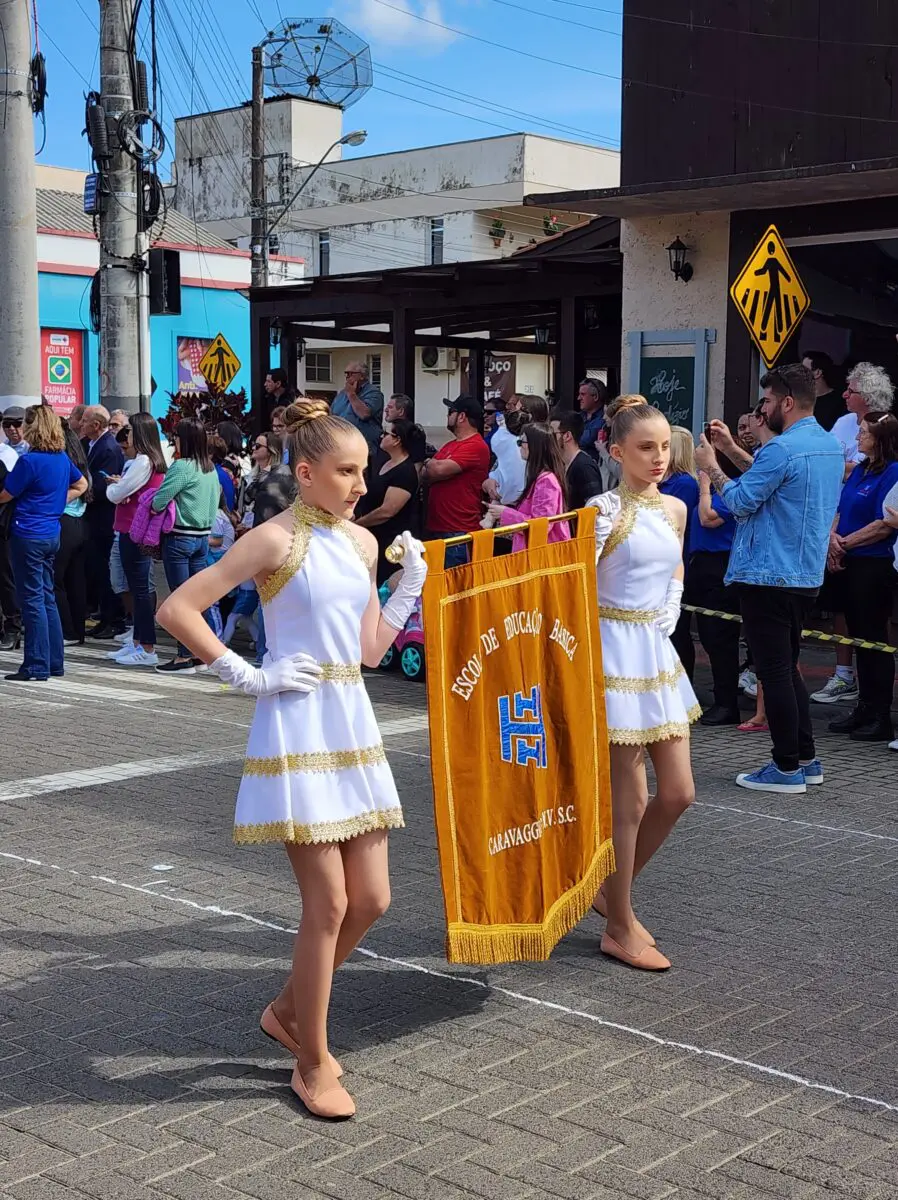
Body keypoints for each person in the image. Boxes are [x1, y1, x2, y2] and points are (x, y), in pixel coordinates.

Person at [155, 399, 427, 1119]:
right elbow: (179, 608)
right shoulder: (272, 540)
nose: (360, 485)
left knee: (372, 899)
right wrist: (250, 675)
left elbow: (370, 651)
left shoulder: (364, 545)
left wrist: (408, 588)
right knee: (329, 903)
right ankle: (312, 1060)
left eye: (364, 470)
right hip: (298, 722)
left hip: (351, 721)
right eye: (345, 471)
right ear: (305, 474)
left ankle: (285, 1010)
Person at [586, 395, 699, 971]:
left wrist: (673, 602)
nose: (659, 458)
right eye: (645, 448)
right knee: (627, 802)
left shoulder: (676, 508)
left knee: (678, 792)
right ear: (617, 451)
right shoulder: (601, 510)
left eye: (664, 448)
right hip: (611, 653)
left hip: (654, 650)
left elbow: (676, 563)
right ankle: (620, 922)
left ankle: (612, 891)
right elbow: (572, 581)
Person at [695, 363, 844, 795]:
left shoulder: (783, 449)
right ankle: (804, 758)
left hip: (767, 573)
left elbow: (742, 499)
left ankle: (784, 767)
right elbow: (768, 477)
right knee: (786, 667)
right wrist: (729, 446)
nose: (762, 411)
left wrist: (711, 465)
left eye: (766, 402)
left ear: (787, 402)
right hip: (801, 574)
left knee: (774, 669)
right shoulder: (827, 445)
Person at [824, 413, 898, 742]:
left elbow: (885, 522)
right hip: (849, 561)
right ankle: (863, 707)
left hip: (873, 565)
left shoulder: (894, 472)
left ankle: (879, 714)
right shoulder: (861, 470)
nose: (857, 439)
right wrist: (832, 541)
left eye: (864, 434)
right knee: (856, 637)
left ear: (881, 439)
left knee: (873, 640)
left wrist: (845, 544)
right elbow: (840, 508)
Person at [0, 406, 87, 681]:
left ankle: (36, 664)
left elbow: (6, 494)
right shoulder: (61, 458)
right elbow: (82, 484)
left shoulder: (30, 461)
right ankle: (54, 661)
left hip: (27, 532)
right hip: (51, 531)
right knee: (46, 596)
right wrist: (56, 504)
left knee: (32, 600)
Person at [151, 419, 222, 674]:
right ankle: (200, 654)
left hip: (180, 538)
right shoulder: (210, 468)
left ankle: (183, 656)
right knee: (196, 600)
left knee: (180, 600)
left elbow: (159, 501)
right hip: (202, 538)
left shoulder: (182, 466)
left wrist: (153, 504)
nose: (173, 442)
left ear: (185, 440)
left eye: (176, 437)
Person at [107, 413, 168, 668]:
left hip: (135, 530)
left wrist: (115, 489)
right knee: (137, 587)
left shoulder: (144, 461)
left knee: (140, 589)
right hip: (132, 529)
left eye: (130, 430)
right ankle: (137, 642)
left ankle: (147, 647)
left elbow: (117, 493)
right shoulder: (145, 460)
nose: (126, 435)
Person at [690, 470, 740, 724]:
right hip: (701, 563)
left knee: (721, 638)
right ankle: (721, 697)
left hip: (721, 564)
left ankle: (727, 703)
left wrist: (705, 486)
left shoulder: (732, 488)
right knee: (709, 638)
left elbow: (708, 518)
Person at [421, 396, 490, 567]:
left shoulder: (476, 445)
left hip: (459, 530)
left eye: (450, 412)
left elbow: (437, 470)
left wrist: (430, 464)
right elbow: (424, 474)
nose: (447, 416)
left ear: (462, 417)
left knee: (454, 587)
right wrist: (432, 467)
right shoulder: (450, 445)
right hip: (439, 527)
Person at [355, 419, 425, 583]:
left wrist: (359, 523)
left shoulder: (405, 471)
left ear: (397, 440)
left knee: (385, 584)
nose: (382, 436)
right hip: (375, 537)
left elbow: (388, 510)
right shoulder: (385, 462)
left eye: (386, 434)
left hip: (392, 541)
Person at [485, 422, 571, 553]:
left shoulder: (546, 481)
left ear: (534, 446)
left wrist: (505, 513)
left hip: (540, 556)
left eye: (521, 442)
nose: (519, 446)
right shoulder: (539, 476)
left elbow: (542, 524)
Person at [82, 405, 127, 638]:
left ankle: (114, 618)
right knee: (98, 571)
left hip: (104, 519)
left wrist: (82, 490)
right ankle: (105, 616)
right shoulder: (92, 445)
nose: (81, 424)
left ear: (96, 425)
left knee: (105, 570)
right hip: (94, 519)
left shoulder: (108, 448)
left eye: (85, 420)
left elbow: (104, 484)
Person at [660, 427, 700, 680]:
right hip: (660, 563)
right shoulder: (663, 482)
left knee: (677, 629)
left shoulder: (684, 484)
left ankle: (682, 682)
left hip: (676, 563)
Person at [54, 421, 92, 647]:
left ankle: (66, 631)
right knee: (76, 579)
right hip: (80, 520)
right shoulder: (78, 452)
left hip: (64, 519)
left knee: (55, 580)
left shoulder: (60, 457)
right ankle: (77, 631)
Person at [831, 361, 893, 477]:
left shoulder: (880, 427)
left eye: (850, 391)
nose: (844, 395)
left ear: (868, 397)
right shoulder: (844, 420)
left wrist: (825, 463)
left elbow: (857, 470)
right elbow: (823, 454)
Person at [550, 409, 605, 509]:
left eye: (552, 435)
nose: (549, 439)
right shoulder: (562, 464)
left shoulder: (584, 467)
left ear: (567, 436)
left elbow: (595, 510)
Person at [330, 361, 384, 454]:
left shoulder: (374, 393)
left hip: (364, 446)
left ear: (362, 376)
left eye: (350, 373)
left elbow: (364, 414)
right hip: (341, 444)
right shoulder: (342, 394)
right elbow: (332, 414)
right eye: (346, 374)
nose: (347, 377)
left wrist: (351, 394)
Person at [802, 350, 846, 432]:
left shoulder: (840, 402)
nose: (800, 374)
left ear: (817, 373)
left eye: (804, 370)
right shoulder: (800, 400)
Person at [577, 378, 607, 459]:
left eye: (582, 394)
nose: (578, 398)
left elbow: (588, 439)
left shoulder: (606, 419)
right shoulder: (577, 417)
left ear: (595, 396)